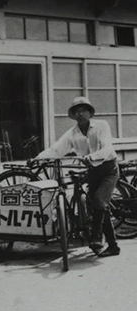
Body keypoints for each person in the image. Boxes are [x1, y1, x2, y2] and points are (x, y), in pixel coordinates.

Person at [33, 96, 120, 257]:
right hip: (93, 172)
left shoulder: (102, 126)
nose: (80, 114)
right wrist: (38, 158)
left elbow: (107, 148)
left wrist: (92, 157)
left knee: (99, 200)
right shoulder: (72, 133)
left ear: (89, 112)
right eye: (77, 111)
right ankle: (113, 246)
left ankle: (95, 238)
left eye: (83, 110)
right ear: (74, 115)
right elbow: (57, 149)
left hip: (109, 169)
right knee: (99, 206)